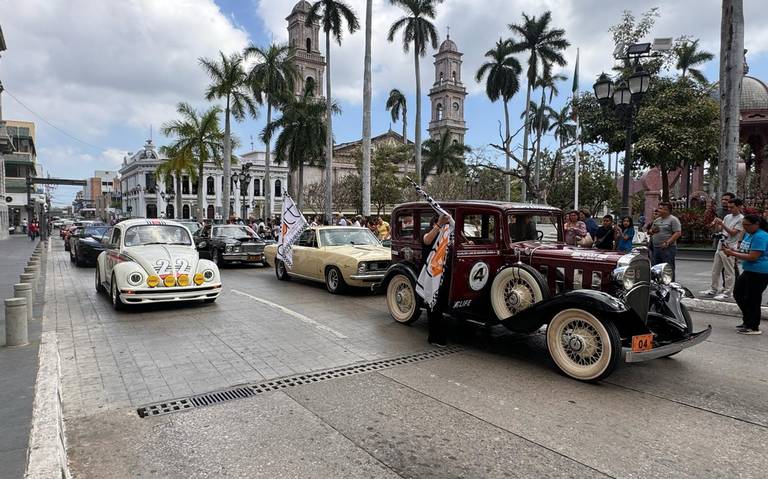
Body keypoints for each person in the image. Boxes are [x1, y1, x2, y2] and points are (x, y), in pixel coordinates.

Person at [722, 214, 768, 335]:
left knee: (753, 299)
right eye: (743, 225)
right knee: (738, 293)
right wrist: (732, 250)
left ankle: (753, 326)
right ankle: (747, 320)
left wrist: (732, 254)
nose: (744, 228)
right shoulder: (749, 234)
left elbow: (753, 256)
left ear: (756, 224)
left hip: (759, 271)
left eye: (747, 225)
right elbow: (745, 250)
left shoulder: (761, 236)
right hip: (749, 270)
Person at [700, 198, 744, 300]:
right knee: (715, 270)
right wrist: (716, 224)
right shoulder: (728, 216)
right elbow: (720, 230)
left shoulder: (741, 219)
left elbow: (733, 233)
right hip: (721, 244)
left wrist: (722, 224)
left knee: (728, 271)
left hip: (730, 247)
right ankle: (713, 289)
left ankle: (728, 292)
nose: (730, 209)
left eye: (732, 207)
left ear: (739, 207)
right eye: (728, 207)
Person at [422, 213, 452, 346]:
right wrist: (439, 224)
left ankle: (439, 334)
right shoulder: (429, 232)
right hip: (431, 274)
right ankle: (434, 337)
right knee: (433, 305)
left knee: (439, 306)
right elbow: (427, 240)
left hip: (443, 274)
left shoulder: (447, 235)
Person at [651, 202, 682, 280]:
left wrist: (668, 242)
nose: (658, 210)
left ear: (667, 210)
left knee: (668, 267)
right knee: (656, 268)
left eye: (660, 208)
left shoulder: (673, 220)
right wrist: (652, 231)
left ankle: (670, 284)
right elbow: (652, 231)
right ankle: (658, 284)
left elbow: (678, 233)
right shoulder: (657, 220)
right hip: (656, 247)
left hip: (668, 248)